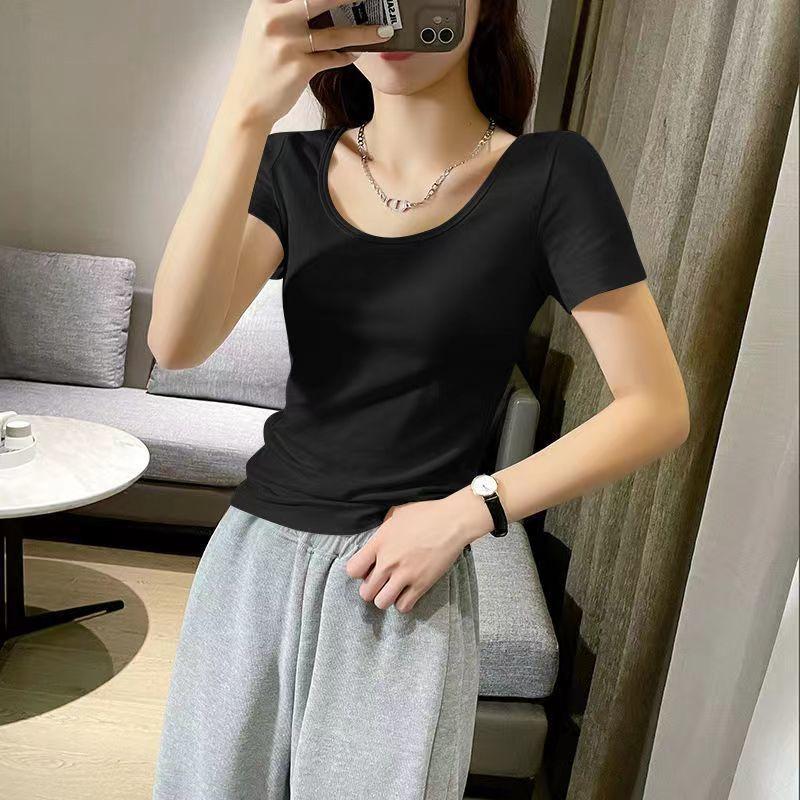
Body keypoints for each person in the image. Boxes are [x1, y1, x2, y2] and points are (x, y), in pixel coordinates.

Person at [148, 0, 690, 797]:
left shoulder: (549, 175)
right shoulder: (291, 166)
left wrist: (473, 509)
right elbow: (176, 343)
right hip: (253, 563)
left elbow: (656, 407)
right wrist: (243, 114)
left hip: (400, 584)